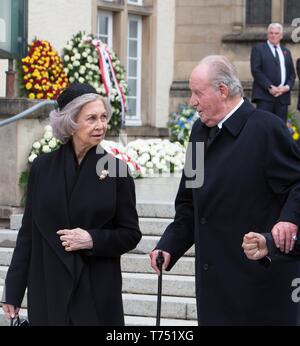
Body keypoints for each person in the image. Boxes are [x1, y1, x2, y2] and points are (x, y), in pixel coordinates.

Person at [150, 55, 300, 326]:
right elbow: (189, 201)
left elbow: (297, 183)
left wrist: (288, 219)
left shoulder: (266, 129)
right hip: (213, 288)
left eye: (197, 93)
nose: (192, 101)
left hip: (258, 288)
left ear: (222, 91)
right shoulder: (198, 132)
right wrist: (170, 244)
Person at [1, 83, 141, 326]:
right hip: (48, 290)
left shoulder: (117, 170)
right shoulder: (42, 168)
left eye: (104, 117)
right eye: (92, 118)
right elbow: (28, 234)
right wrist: (13, 291)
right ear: (71, 123)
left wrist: (92, 239)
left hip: (95, 291)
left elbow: (130, 234)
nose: (101, 125)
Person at [250, 23, 295, 122]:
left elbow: (292, 74)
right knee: (263, 127)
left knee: (279, 129)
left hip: (283, 98)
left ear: (281, 36)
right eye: (271, 33)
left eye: (276, 33)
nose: (274, 35)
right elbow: (256, 70)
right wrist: (270, 87)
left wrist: (286, 88)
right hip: (265, 97)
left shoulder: (286, 51)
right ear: (267, 34)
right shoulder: (258, 49)